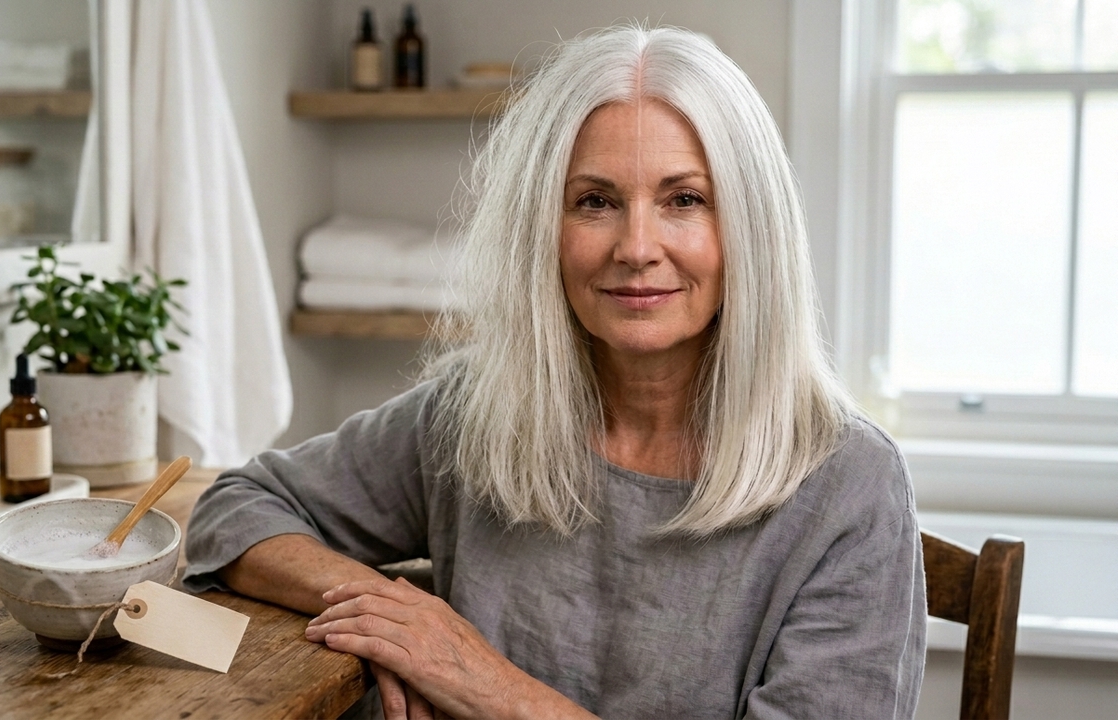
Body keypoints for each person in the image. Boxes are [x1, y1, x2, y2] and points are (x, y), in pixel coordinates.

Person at [184, 24, 924, 720]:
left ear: (750, 230)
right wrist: (396, 615)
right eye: (595, 202)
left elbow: (477, 682)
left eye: (685, 200)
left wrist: (485, 684)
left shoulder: (849, 485)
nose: (637, 247)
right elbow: (237, 510)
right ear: (544, 227)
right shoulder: (474, 412)